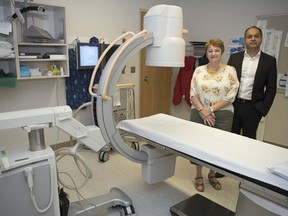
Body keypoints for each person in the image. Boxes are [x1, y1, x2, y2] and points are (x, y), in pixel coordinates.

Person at [189, 38, 239, 192]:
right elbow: (192, 93)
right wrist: (203, 112)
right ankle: (198, 174)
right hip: (198, 112)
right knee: (198, 146)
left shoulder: (230, 70)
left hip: (223, 114)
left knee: (217, 148)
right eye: (210, 50)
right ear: (206, 53)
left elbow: (231, 95)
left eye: (216, 50)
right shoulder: (199, 70)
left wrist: (210, 110)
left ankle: (212, 174)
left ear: (222, 52)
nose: (213, 53)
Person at [228, 26, 277, 139]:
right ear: (245, 40)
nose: (253, 39)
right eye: (249, 36)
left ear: (261, 39)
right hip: (233, 105)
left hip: (253, 108)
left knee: (249, 140)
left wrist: (264, 109)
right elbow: (228, 82)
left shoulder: (269, 61)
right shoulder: (234, 58)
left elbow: (271, 89)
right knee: (230, 137)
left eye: (256, 36)